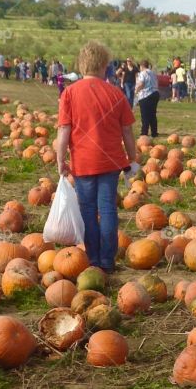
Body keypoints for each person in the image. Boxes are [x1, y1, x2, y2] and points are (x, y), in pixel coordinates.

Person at [55, 41, 138, 273]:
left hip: (83, 163)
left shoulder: (70, 93)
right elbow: (127, 131)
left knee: (88, 210)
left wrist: (61, 159)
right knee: (109, 208)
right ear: (104, 66)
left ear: (82, 66)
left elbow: (64, 131)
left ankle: (93, 259)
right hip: (111, 162)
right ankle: (108, 260)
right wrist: (132, 159)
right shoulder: (116, 93)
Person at [135, 58, 160, 137]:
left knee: (145, 115)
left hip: (146, 95)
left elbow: (141, 84)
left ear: (141, 66)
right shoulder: (152, 73)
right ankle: (154, 132)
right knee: (152, 114)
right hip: (155, 93)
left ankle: (144, 132)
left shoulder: (142, 73)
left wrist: (136, 91)